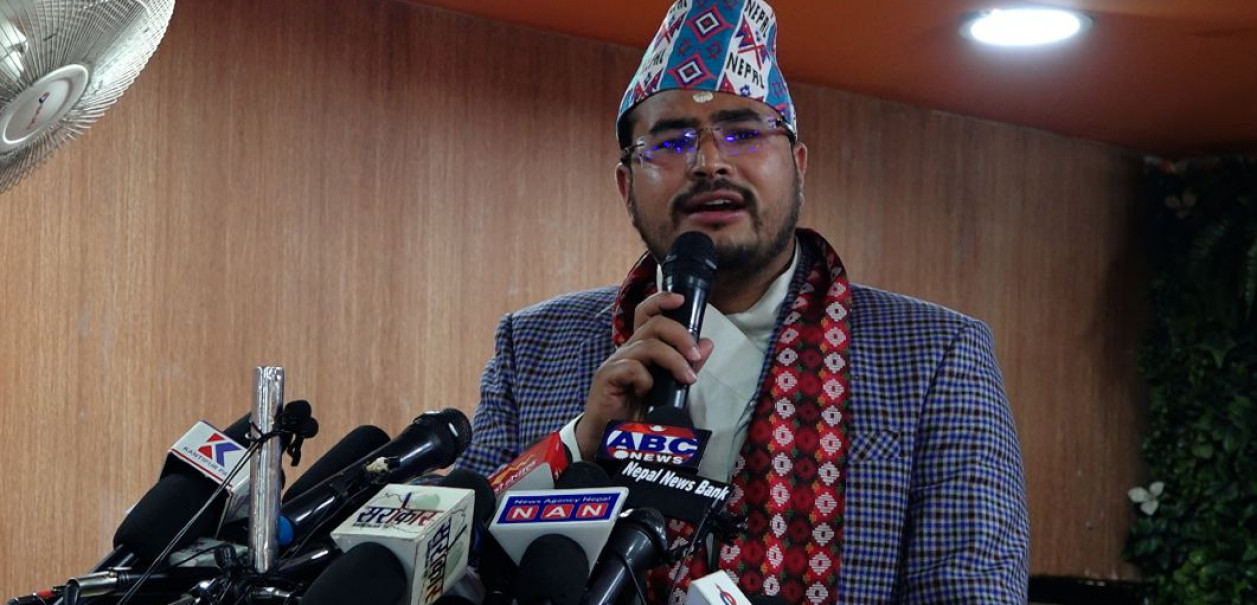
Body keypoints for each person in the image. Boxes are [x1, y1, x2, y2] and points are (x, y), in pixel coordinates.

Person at [456, 0, 1030, 602]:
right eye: (672, 141)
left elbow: (971, 592)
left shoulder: (934, 355)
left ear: (798, 167)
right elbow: (452, 563)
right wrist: (579, 444)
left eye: (744, 133)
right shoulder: (536, 344)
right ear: (626, 187)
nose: (710, 163)